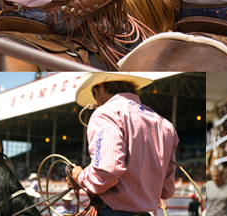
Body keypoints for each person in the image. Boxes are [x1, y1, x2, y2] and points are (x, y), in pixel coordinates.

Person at [69, 74, 177, 216]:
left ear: (100, 88)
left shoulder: (105, 113)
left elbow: (106, 171)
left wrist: (79, 177)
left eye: (93, 93)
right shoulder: (165, 125)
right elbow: (167, 189)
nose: (95, 101)